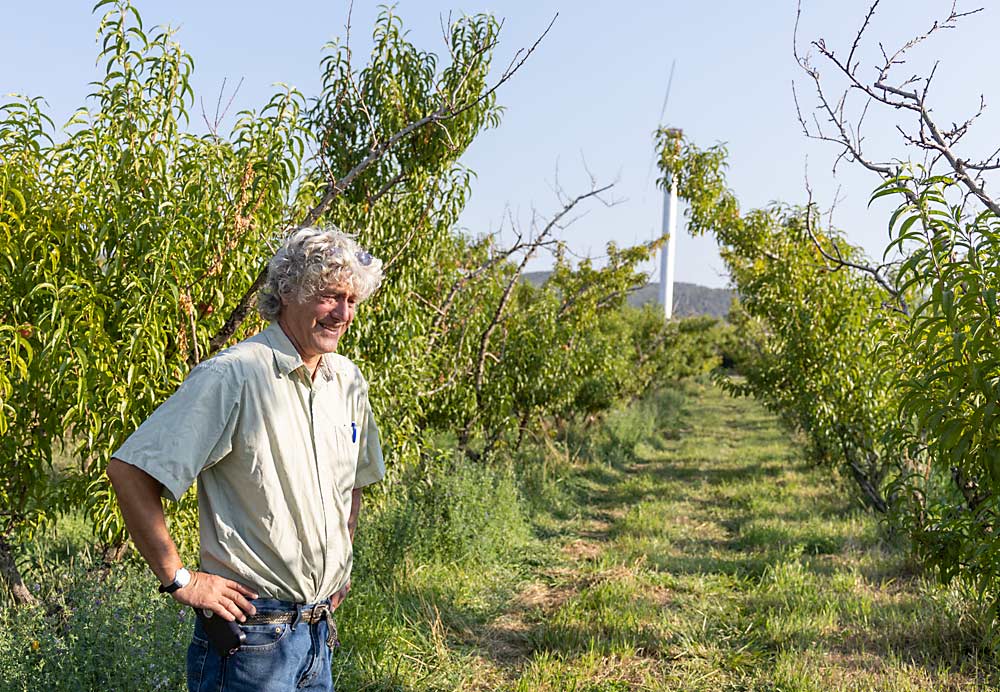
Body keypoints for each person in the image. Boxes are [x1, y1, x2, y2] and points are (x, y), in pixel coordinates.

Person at [107, 226, 385, 691]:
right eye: (330, 296)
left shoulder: (347, 381)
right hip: (252, 637)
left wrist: (340, 563)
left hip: (318, 633)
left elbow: (351, 482)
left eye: (352, 300)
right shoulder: (234, 374)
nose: (343, 313)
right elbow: (130, 471)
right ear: (290, 292)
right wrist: (181, 580)